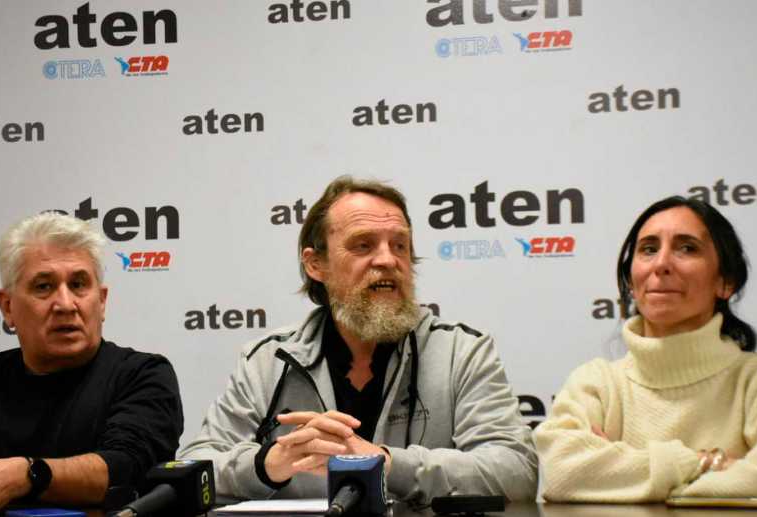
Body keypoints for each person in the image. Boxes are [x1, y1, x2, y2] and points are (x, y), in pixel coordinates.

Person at [181, 176, 538, 504]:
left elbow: (516, 471)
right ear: (315, 264)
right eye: (363, 245)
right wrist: (267, 464)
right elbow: (193, 469)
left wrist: (385, 463)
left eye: (400, 245)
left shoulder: (461, 351)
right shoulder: (268, 360)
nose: (388, 260)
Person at [0, 212, 183, 517]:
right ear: (7, 307)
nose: (65, 304)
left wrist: (25, 476)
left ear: (101, 302)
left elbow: (126, 467)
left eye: (78, 284)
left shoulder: (143, 375)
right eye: (44, 286)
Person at [535, 196, 757, 503]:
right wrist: (708, 463)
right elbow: (563, 473)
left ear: (726, 282)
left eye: (687, 248)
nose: (661, 264)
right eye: (649, 249)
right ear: (631, 282)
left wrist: (622, 475)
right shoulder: (596, 383)